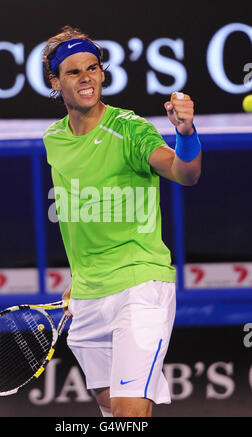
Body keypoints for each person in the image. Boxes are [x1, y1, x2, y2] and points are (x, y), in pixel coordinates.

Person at [42, 26, 201, 417]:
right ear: (55, 81)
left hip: (139, 287)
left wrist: (185, 133)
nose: (86, 78)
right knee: (112, 412)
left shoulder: (129, 129)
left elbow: (185, 173)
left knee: (131, 414)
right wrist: (77, 281)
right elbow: (80, 220)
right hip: (87, 298)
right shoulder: (54, 139)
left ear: (101, 72)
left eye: (93, 68)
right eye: (74, 71)